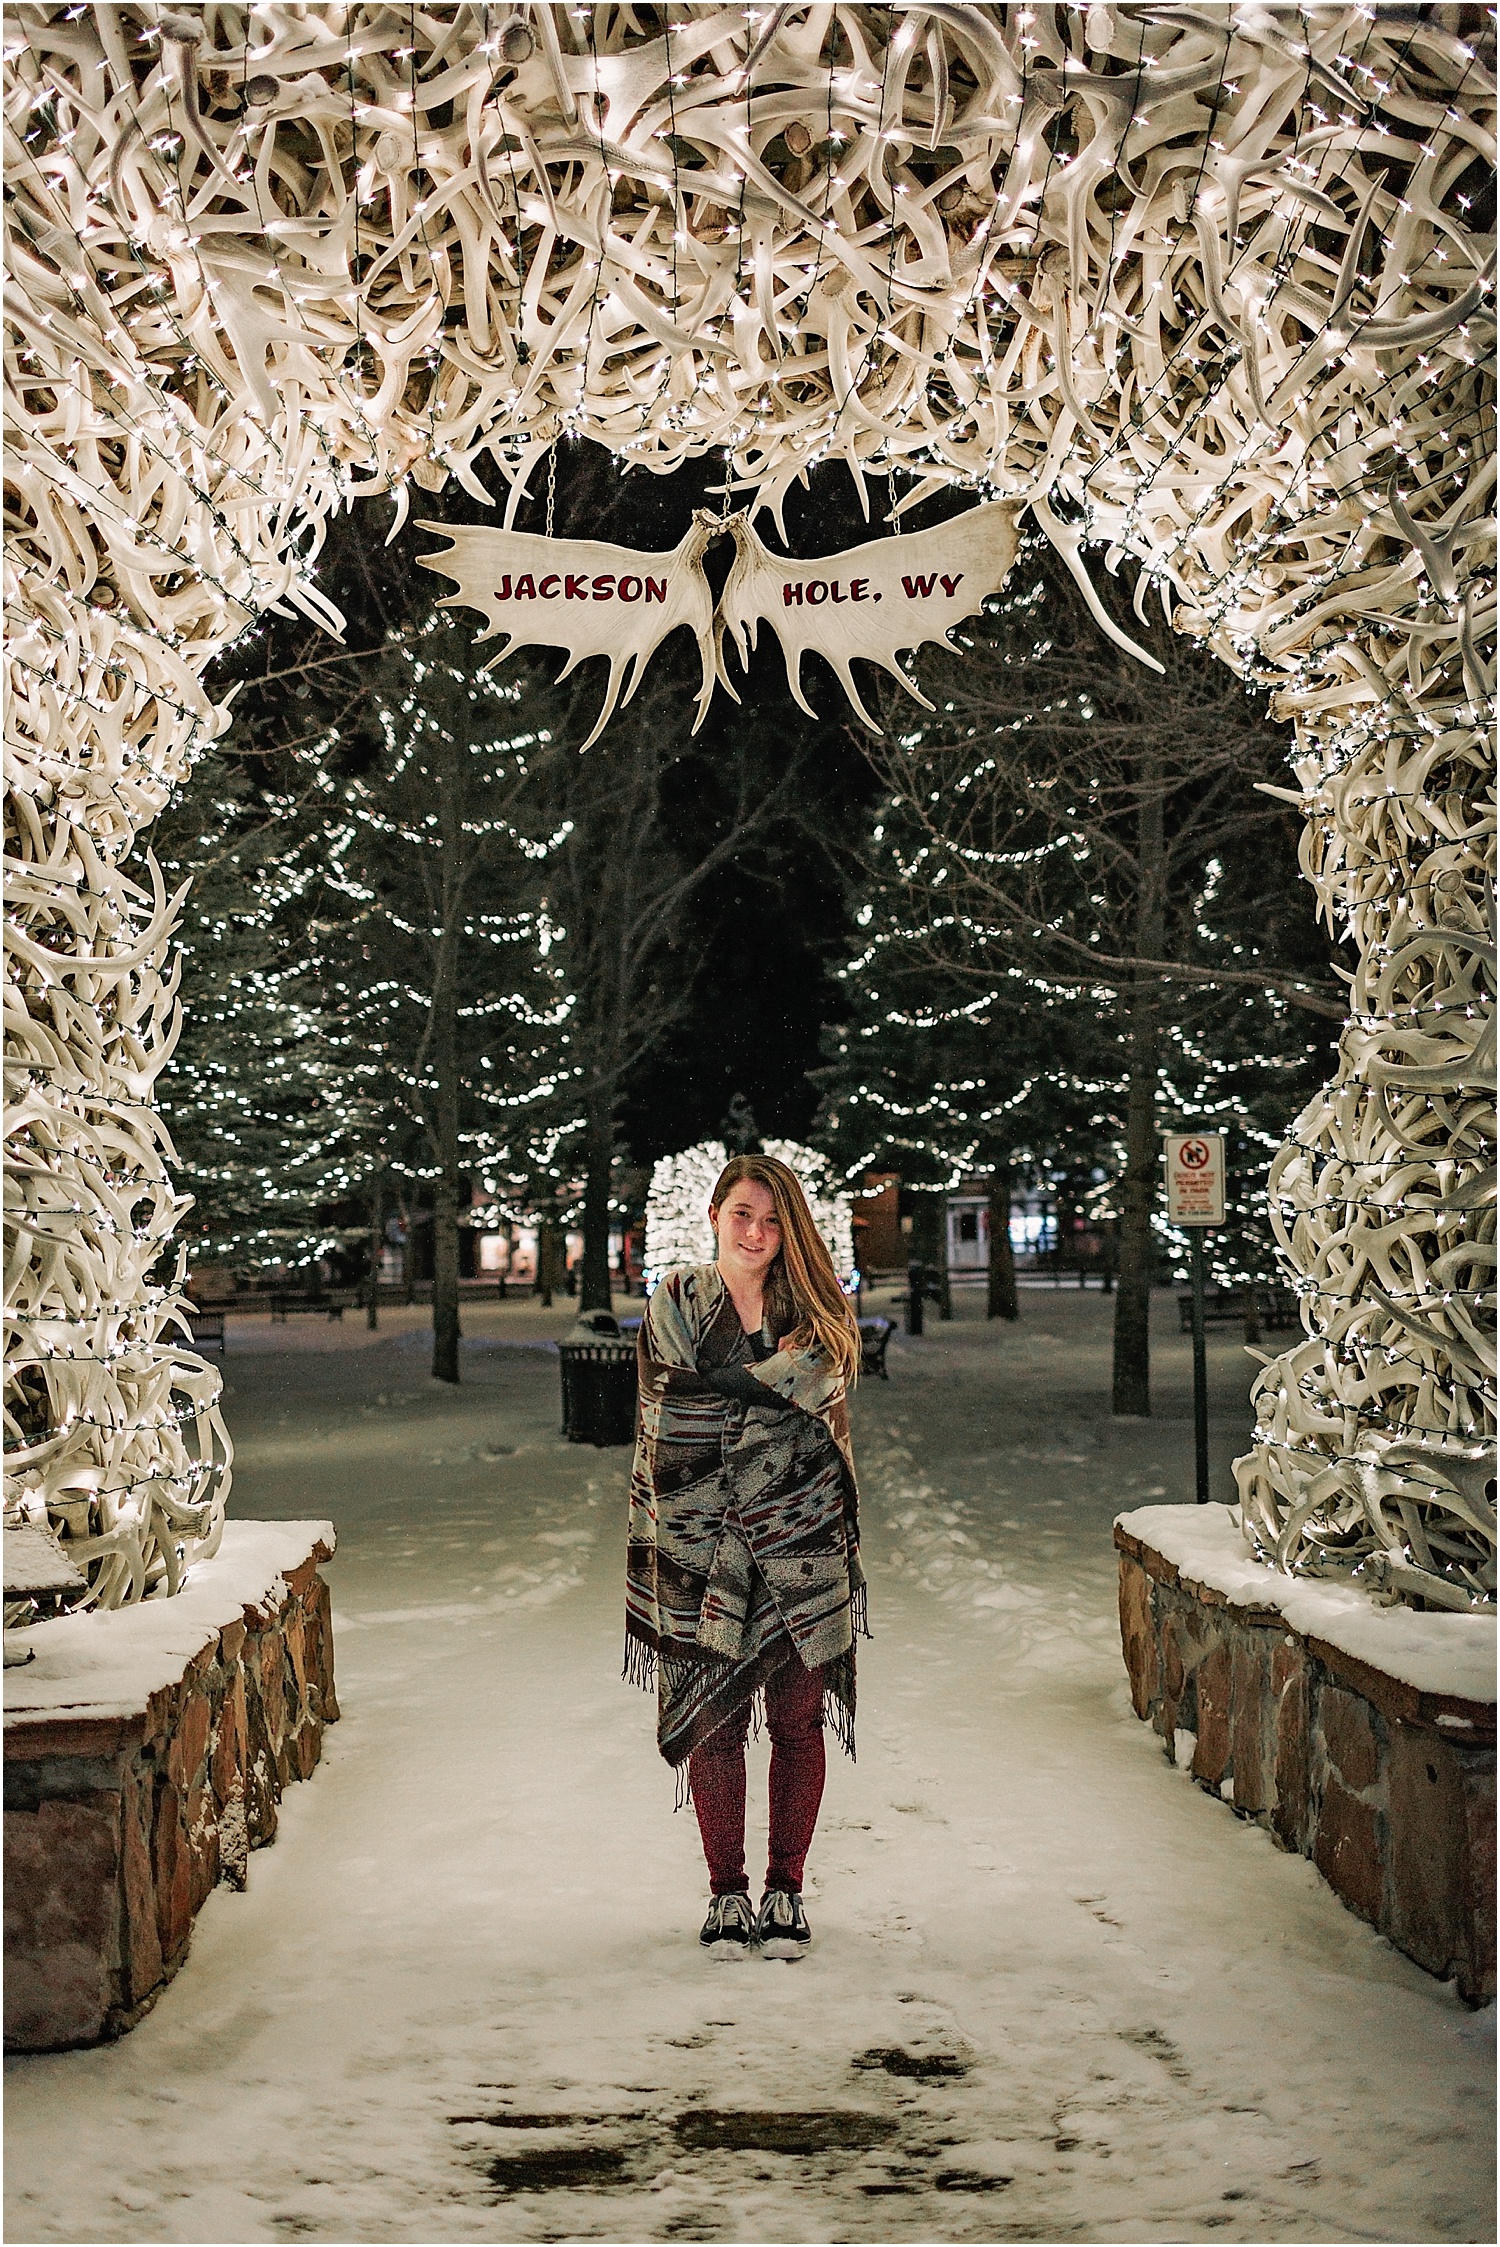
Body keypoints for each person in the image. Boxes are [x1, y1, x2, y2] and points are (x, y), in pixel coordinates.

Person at [625, 1154, 866, 1960]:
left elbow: (816, 1406)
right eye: (741, 1214)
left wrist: (720, 1394)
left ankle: (786, 1889)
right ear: (714, 1217)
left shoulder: (817, 1311)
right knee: (718, 1726)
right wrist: (764, 1401)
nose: (756, 1232)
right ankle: (727, 1893)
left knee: (798, 1723)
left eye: (771, 1218)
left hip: (801, 1546)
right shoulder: (677, 1300)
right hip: (699, 1543)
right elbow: (669, 1412)